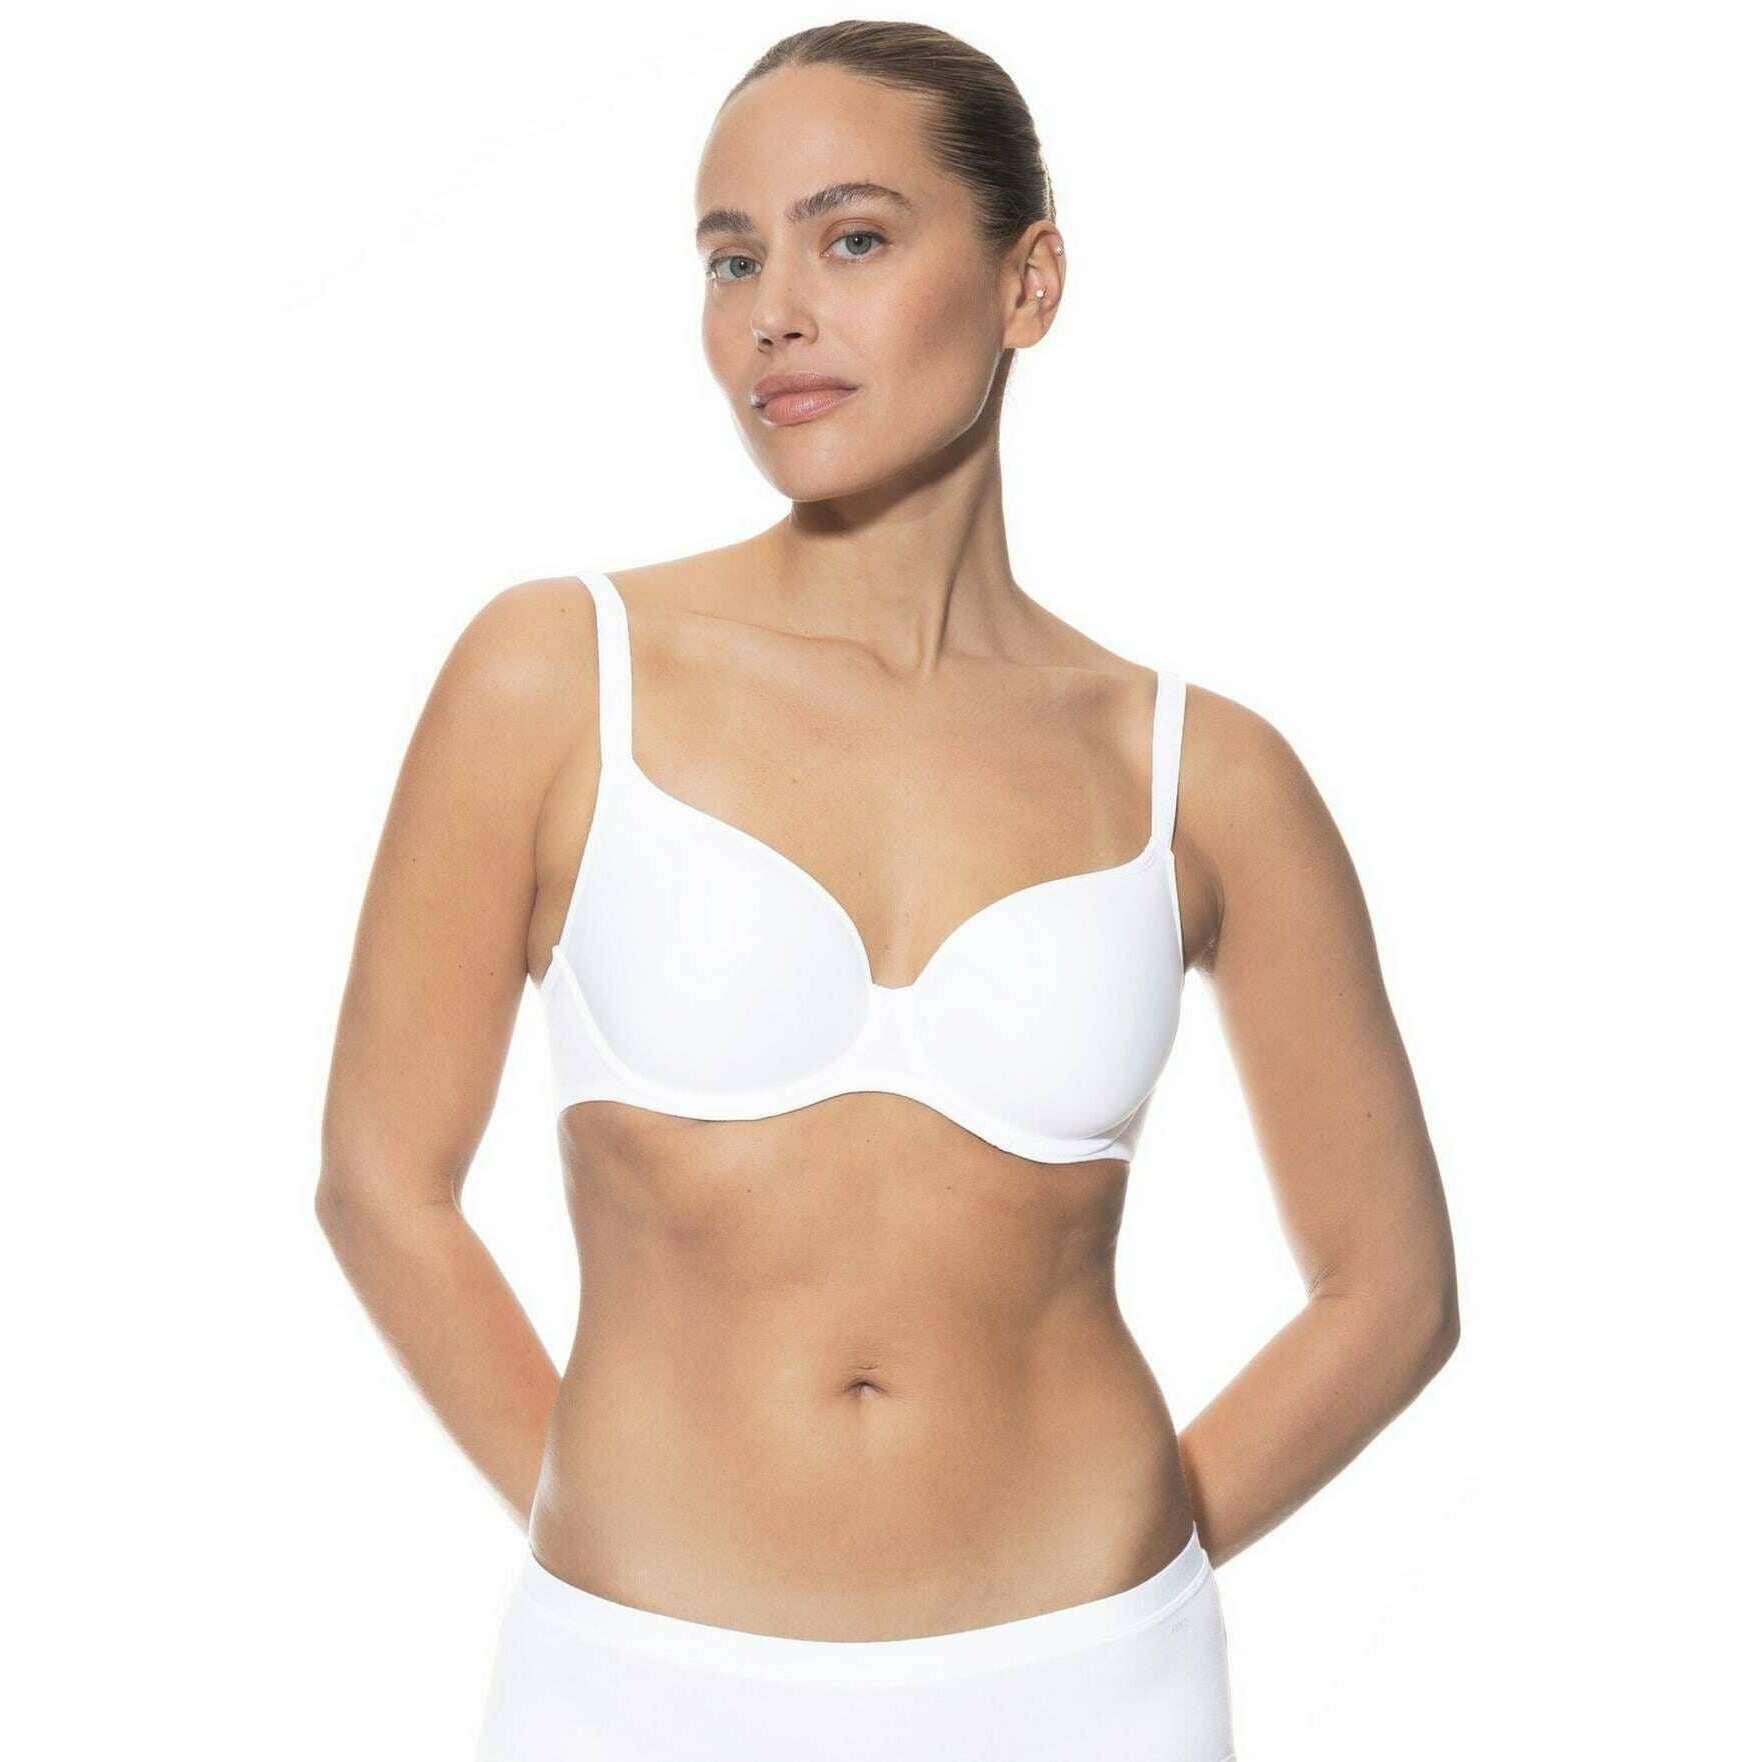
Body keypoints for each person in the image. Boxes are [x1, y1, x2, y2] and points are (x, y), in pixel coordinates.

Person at [316, 21, 1459, 1761]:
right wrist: (597, 1520)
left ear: (1026, 282)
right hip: (636, 1675)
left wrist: (1135, 1562)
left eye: (851, 238)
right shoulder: (558, 676)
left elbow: (1389, 1290)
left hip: (1090, 1683)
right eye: (731, 258)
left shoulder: (1199, 771)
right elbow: (380, 1183)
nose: (774, 312)